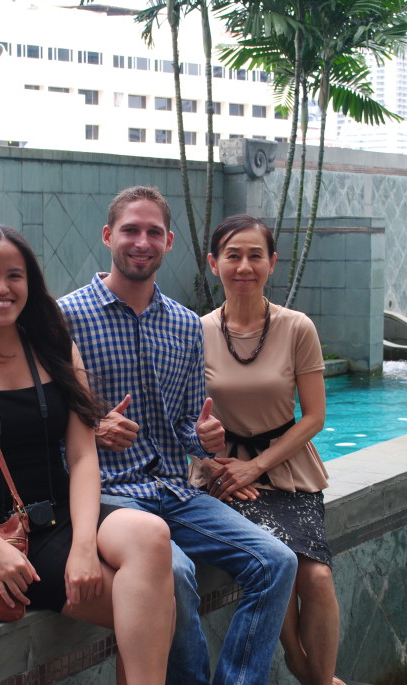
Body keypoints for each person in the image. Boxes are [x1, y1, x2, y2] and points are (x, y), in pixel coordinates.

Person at [0, 224, 174, 685]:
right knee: (156, 606)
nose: (2, 288)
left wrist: (86, 549)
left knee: (151, 533)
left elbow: (84, 456)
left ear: (30, 284)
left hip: (63, 520)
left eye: (15, 275)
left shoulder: (54, 349)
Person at [58, 187, 297, 685]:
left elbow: (189, 425)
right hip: (111, 497)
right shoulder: (66, 319)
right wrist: (94, 428)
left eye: (152, 233)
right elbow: (43, 425)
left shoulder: (186, 325)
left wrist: (205, 437)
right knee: (179, 575)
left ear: (168, 242)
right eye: (130, 230)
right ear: (108, 236)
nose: (141, 242)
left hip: (175, 489)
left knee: (277, 561)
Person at [193, 214, 343, 685]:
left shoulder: (297, 327)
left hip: (284, 470)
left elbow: (314, 416)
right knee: (277, 564)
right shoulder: (193, 331)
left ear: (272, 263)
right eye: (232, 255)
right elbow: (185, 421)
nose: (244, 266)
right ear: (214, 263)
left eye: (255, 255)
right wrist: (220, 470)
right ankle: (302, 666)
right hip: (223, 477)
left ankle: (316, 675)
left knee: (315, 576)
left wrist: (255, 466)